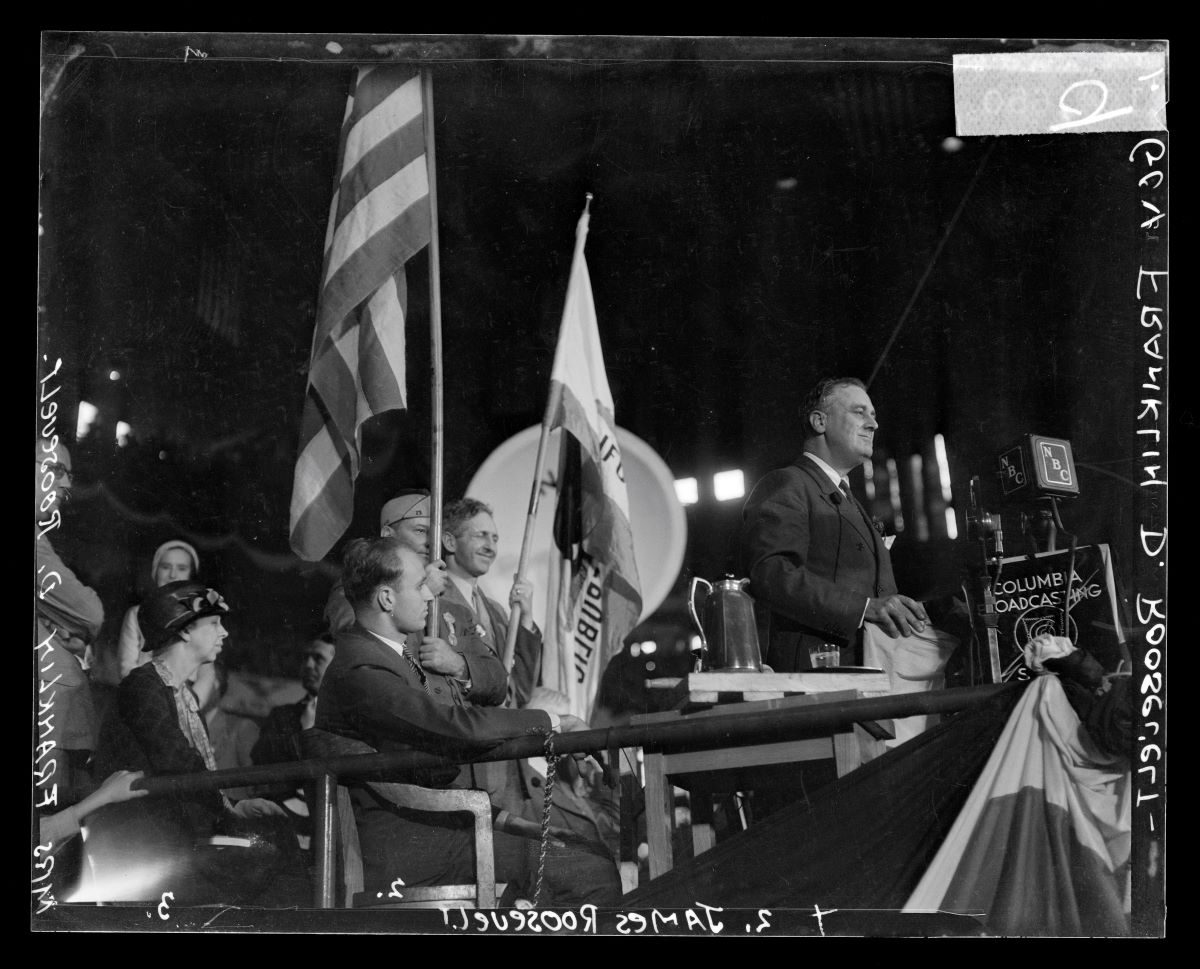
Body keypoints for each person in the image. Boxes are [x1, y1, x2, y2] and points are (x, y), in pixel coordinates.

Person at [313, 537, 594, 903]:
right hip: (415, 853)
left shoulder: (386, 658)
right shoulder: (363, 669)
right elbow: (458, 727)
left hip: (436, 831)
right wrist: (556, 722)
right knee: (590, 871)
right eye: (419, 586)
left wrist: (518, 825)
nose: (430, 596)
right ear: (386, 599)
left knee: (582, 856)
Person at [88, 580, 299, 904]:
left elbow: (190, 773)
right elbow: (176, 760)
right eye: (213, 623)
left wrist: (235, 808)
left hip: (169, 842)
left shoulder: (183, 696)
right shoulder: (143, 686)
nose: (224, 633)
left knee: (277, 844)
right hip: (139, 848)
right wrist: (229, 810)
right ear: (185, 630)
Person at [740, 376, 930, 671]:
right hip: (820, 675)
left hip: (871, 669)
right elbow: (773, 575)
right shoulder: (788, 483)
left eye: (873, 415)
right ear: (820, 422)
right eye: (859, 412)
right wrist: (864, 608)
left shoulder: (847, 498)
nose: (873, 424)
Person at [35, 440, 103, 805]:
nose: (66, 484)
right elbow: (90, 613)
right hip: (50, 722)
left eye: (69, 474)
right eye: (56, 470)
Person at [441, 497, 542, 707]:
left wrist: (525, 618)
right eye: (481, 535)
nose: (491, 547)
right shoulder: (434, 600)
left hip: (498, 722)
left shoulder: (496, 612)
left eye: (495, 538)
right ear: (450, 542)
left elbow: (518, 691)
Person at [323, 489, 449, 636]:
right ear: (388, 534)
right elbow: (355, 637)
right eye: (420, 531)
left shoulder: (442, 586)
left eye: (434, 534)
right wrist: (425, 591)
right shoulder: (357, 584)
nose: (430, 542)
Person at [116, 539, 200, 680]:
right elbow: (127, 670)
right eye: (165, 567)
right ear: (155, 572)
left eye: (181, 568)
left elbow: (205, 675)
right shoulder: (136, 614)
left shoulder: (201, 616)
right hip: (144, 689)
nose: (172, 575)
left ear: (190, 575)